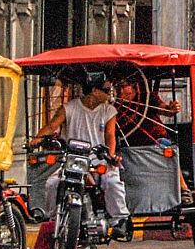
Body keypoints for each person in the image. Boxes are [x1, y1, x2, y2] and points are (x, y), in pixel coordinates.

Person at [35, 71, 131, 238]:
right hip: (74, 159)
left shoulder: (108, 111)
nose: (109, 94)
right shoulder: (69, 108)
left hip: (98, 158)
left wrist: (110, 155)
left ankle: (119, 220)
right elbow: (52, 127)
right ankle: (54, 218)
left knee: (112, 182)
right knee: (52, 183)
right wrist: (36, 139)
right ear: (94, 91)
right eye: (106, 90)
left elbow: (110, 136)